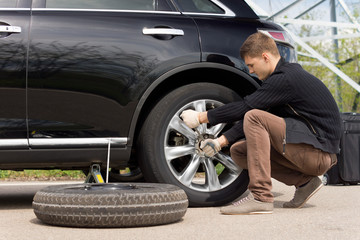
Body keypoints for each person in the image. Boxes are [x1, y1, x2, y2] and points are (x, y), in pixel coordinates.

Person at [181, 32, 341, 215]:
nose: (250, 71)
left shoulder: (285, 79)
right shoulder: (282, 80)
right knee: (239, 152)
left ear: (265, 57)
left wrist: (202, 117)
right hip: (311, 149)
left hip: (319, 153)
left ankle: (261, 197)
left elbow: (247, 109)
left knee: (253, 116)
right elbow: (260, 113)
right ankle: (305, 183)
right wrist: (221, 142)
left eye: (251, 65)